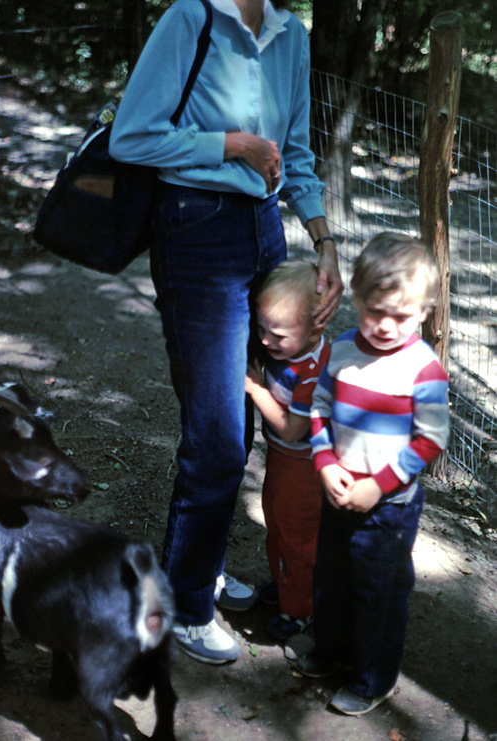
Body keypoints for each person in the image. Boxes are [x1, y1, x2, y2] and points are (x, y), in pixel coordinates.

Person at [109, 0, 343, 665]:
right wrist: (232, 145)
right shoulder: (191, 18)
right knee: (215, 429)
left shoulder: (290, 33)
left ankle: (199, 564)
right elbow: (132, 135)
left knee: (241, 418)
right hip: (196, 227)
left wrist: (322, 240)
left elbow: (293, 151)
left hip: (265, 231)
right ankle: (184, 604)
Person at [297, 233, 450, 714]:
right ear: (357, 299)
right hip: (338, 489)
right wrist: (324, 463)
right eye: (374, 311)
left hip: (388, 508)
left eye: (401, 316)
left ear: (424, 312)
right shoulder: (342, 349)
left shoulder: (423, 370)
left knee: (378, 592)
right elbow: (318, 408)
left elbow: (429, 440)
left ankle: (372, 678)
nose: (385, 326)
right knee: (332, 578)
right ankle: (332, 652)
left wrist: (376, 486)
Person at [245, 260, 330, 640]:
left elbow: (294, 430)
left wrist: (256, 390)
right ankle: (284, 587)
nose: (265, 341)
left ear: (317, 326)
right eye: (261, 329)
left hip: (305, 469)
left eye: (277, 334)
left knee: (297, 538)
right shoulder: (286, 352)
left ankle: (300, 610)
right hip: (281, 461)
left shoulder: (314, 372)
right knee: (275, 525)